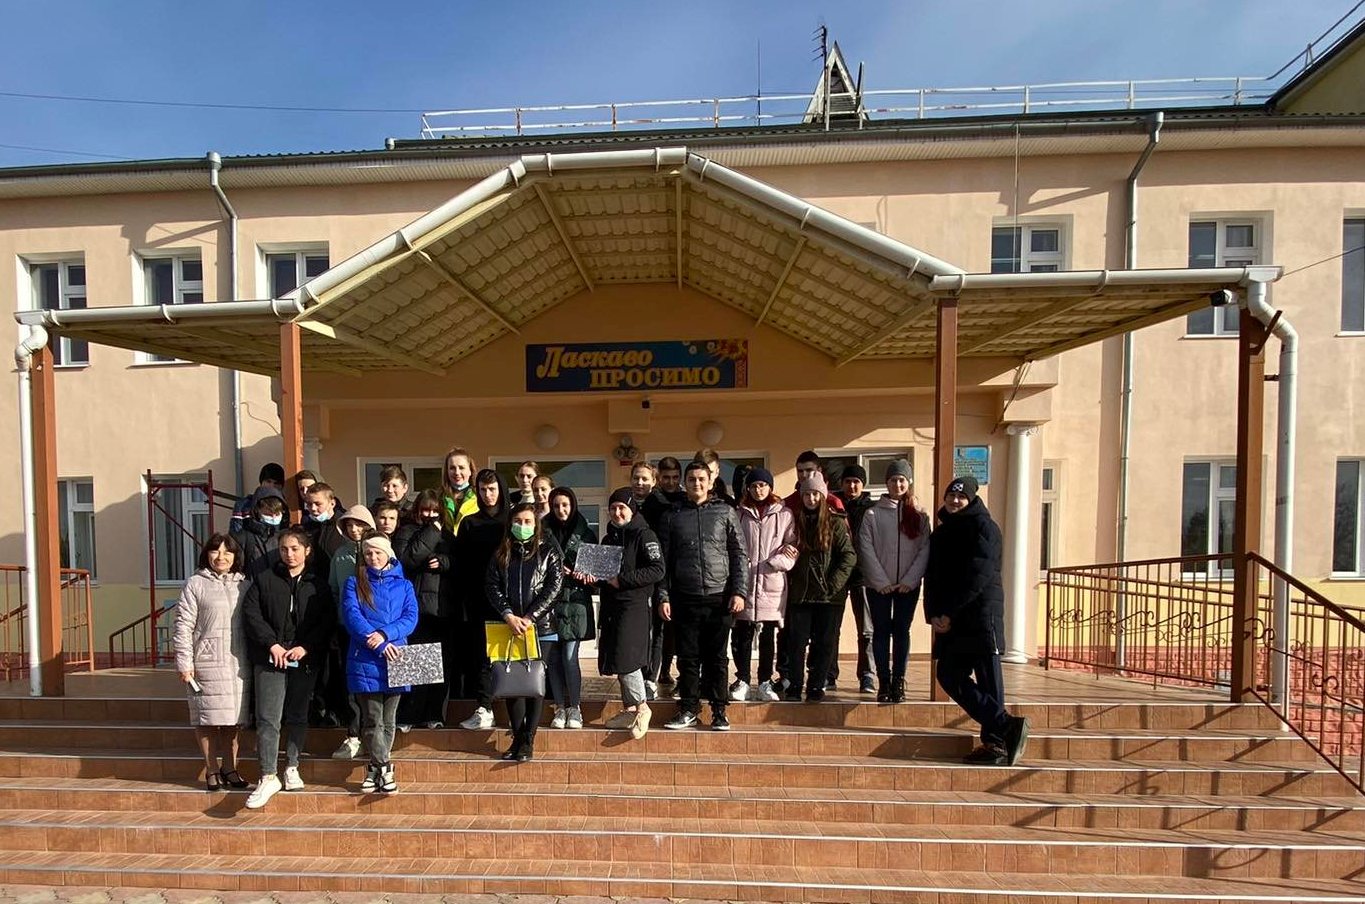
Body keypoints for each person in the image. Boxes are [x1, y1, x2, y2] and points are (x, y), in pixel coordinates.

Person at [925, 475, 1029, 766]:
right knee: (948, 674)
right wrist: (934, 615)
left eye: (961, 497)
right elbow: (932, 577)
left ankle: (996, 745)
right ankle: (1005, 725)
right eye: (951, 496)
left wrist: (949, 611)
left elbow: (978, 576)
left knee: (988, 680)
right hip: (952, 621)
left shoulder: (985, 527)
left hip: (981, 616)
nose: (955, 501)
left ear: (971, 500)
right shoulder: (941, 533)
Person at [242, 527, 335, 809]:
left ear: (307, 550)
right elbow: (252, 615)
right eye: (284, 549)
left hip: (303, 659)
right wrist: (272, 645)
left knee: (297, 714)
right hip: (270, 658)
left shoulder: (318, 585)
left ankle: (292, 766)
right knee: (268, 718)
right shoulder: (264, 579)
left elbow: (325, 621)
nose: (289, 554)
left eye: (295, 548)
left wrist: (305, 647)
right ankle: (268, 774)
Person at [657, 460, 749, 731]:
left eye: (701, 479)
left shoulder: (725, 512)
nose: (696, 483)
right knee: (687, 657)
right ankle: (688, 708)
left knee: (717, 658)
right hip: (684, 597)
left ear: (710, 483)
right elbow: (663, 561)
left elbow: (739, 554)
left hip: (719, 597)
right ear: (684, 483)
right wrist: (663, 596)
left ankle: (719, 710)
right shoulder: (672, 516)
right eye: (691, 479)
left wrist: (739, 591)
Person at [172, 532, 252, 792]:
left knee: (233, 719)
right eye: (216, 551)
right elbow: (183, 625)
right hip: (205, 663)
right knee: (206, 718)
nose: (221, 557)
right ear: (206, 554)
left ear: (235, 556)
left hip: (238, 663)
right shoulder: (195, 584)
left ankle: (230, 767)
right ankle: (211, 768)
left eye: (228, 552)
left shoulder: (244, 584)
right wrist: (184, 663)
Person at [341, 533, 419, 793]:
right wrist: (376, 642)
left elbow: (411, 618)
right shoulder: (354, 582)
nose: (373, 557)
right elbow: (352, 615)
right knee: (372, 718)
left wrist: (386, 635)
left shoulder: (404, 585)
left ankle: (375, 768)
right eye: (368, 553)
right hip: (365, 657)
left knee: (389, 718)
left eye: (378, 552)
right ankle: (385, 768)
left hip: (396, 655)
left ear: (388, 554)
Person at [486, 502, 563, 762]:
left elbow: (554, 587)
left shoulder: (548, 551)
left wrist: (531, 617)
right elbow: (492, 586)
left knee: (533, 683)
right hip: (508, 628)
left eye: (528, 521)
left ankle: (529, 738)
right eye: (518, 521)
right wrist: (508, 615)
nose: (522, 526)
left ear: (536, 524)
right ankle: (517, 737)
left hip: (540, 628)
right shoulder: (502, 553)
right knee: (513, 683)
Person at [856, 459, 931, 703]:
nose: (897, 484)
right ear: (886, 483)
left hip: (907, 586)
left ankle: (899, 680)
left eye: (902, 480)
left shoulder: (919, 515)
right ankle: (884, 682)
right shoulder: (872, 514)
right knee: (880, 632)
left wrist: (910, 579)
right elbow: (865, 548)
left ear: (909, 482)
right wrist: (881, 581)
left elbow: (925, 549)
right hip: (879, 586)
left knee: (901, 632)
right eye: (893, 480)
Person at [595, 488, 664, 739]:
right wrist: (590, 577)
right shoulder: (608, 539)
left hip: (634, 606)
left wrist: (622, 580)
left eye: (621, 508)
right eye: (613, 508)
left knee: (627, 658)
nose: (617, 512)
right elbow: (603, 576)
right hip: (612, 607)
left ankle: (642, 707)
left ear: (632, 510)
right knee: (616, 657)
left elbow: (657, 569)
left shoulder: (645, 535)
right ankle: (630, 709)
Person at [785, 473, 857, 702]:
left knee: (825, 643)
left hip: (829, 597)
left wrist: (833, 584)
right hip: (801, 594)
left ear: (823, 496)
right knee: (796, 643)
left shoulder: (835, 522)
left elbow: (848, 556)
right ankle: (795, 684)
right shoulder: (794, 521)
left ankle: (817, 685)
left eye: (815, 494)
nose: (811, 499)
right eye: (807, 494)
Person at [731, 468, 797, 702]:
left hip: (771, 582)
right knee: (742, 633)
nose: (758, 490)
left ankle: (765, 682)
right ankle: (742, 679)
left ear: (770, 487)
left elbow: (792, 547)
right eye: (754, 486)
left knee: (768, 635)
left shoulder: (784, 514)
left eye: (762, 485)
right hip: (745, 582)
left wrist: (776, 562)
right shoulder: (738, 513)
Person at [454, 468, 510, 730]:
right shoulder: (469, 523)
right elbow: (461, 562)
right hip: (477, 600)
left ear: (501, 490)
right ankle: (484, 707)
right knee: (482, 656)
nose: (488, 495)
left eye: (493, 489)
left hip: (509, 601)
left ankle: (515, 709)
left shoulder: (512, 522)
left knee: (510, 656)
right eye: (483, 490)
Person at [394, 489, 453, 732]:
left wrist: (445, 562)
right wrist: (432, 531)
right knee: (413, 661)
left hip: (440, 607)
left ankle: (434, 713)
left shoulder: (447, 534)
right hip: (414, 606)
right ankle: (408, 714)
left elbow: (457, 560)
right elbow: (407, 559)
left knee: (439, 662)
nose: (430, 514)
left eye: (434, 511)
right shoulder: (407, 531)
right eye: (425, 510)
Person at [541, 487, 596, 729]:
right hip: (549, 602)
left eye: (565, 505)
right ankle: (560, 707)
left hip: (575, 601)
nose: (561, 510)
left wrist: (579, 574)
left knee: (569, 657)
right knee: (553, 659)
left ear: (573, 505)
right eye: (556, 506)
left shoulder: (586, 533)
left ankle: (575, 707)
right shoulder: (542, 532)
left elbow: (594, 573)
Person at [325, 505, 375, 758]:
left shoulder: (378, 550)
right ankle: (353, 734)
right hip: (348, 628)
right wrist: (338, 620)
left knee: (375, 685)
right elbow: (333, 589)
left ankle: (376, 736)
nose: (354, 530)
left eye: (359, 525)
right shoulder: (340, 555)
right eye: (349, 525)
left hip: (377, 630)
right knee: (352, 683)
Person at [833, 465, 878, 694]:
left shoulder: (872, 509)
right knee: (832, 628)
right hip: (837, 575)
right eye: (848, 481)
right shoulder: (832, 506)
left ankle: (867, 675)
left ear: (863, 484)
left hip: (863, 575)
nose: (852, 486)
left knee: (867, 630)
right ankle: (829, 673)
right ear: (841, 483)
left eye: (856, 482)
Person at [641, 456, 684, 695]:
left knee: (677, 630)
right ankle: (651, 676)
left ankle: (669, 671)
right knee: (657, 628)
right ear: (659, 478)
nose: (670, 482)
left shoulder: (685, 500)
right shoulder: (652, 502)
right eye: (666, 477)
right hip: (656, 569)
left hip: (681, 572)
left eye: (675, 477)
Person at [237, 486, 287, 577]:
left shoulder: (287, 536)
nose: (273, 518)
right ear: (257, 511)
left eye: (277, 514)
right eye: (268, 514)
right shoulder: (243, 537)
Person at [229, 463, 287, 535]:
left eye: (276, 483)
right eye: (268, 481)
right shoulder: (243, 505)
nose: (272, 486)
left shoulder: (284, 506)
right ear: (261, 482)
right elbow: (235, 533)